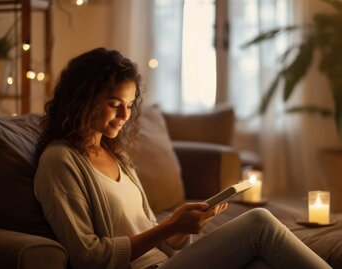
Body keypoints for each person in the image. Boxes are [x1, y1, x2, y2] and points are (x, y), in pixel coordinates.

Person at [34, 47, 331, 269]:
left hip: (166, 262)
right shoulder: (60, 162)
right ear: (83, 100)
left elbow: (153, 235)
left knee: (262, 264)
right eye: (114, 104)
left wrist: (180, 228)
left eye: (128, 104)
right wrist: (169, 227)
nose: (125, 116)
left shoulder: (116, 155)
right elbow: (88, 257)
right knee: (259, 222)